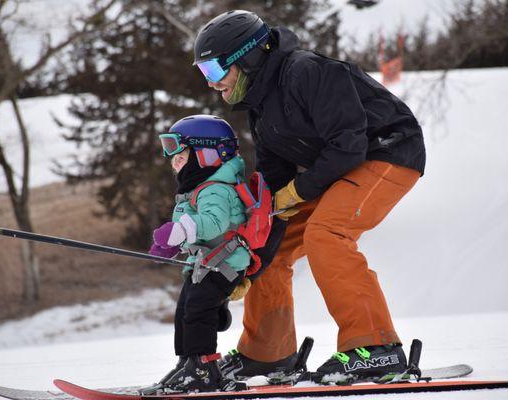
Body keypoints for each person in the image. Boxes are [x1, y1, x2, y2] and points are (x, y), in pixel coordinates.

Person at [192, 10, 427, 384]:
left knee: (327, 233)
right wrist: (248, 256)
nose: (212, 84)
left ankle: (378, 349)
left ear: (248, 58)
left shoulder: (308, 72)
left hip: (388, 153)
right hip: (338, 167)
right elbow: (274, 177)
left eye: (217, 72)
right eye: (205, 75)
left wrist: (298, 191)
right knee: (273, 244)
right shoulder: (261, 104)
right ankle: (267, 354)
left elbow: (348, 146)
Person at [146, 114, 251, 392]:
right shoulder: (199, 189)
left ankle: (204, 368)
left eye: (181, 158)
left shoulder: (216, 189)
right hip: (206, 263)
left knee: (196, 310)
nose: (175, 164)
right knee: (184, 312)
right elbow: (198, 231)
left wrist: (180, 230)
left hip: (224, 263)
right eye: (173, 160)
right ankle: (188, 362)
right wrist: (173, 243)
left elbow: (214, 222)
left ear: (207, 155)